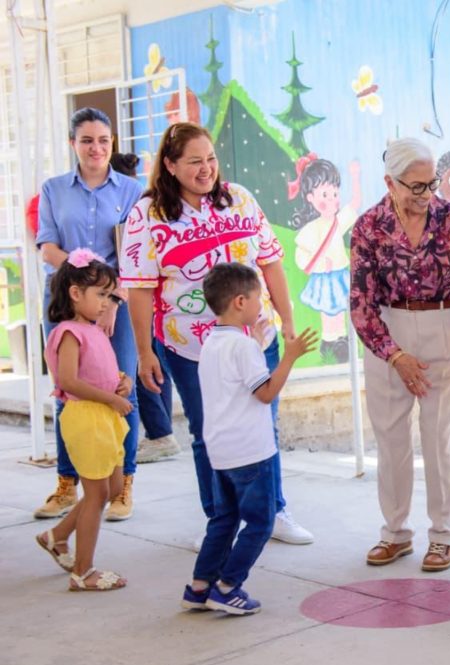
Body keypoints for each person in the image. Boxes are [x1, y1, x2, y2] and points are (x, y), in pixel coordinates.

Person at [120, 122, 313, 546]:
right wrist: (142, 353)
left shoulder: (239, 199)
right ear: (170, 166)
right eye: (194, 162)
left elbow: (272, 263)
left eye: (211, 159)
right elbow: (138, 288)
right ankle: (220, 521)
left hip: (255, 339)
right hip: (191, 348)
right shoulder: (147, 215)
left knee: (265, 424)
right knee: (208, 431)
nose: (206, 169)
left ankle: (274, 510)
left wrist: (287, 319)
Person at [350, 137, 450, 572]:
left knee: (438, 439)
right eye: (415, 186)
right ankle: (395, 534)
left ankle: (443, 536)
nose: (425, 194)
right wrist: (395, 355)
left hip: (445, 327)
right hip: (388, 332)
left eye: (430, 184)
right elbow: (360, 302)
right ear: (389, 182)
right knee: (391, 440)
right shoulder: (369, 226)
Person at [180, 264, 317, 615]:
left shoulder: (212, 342)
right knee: (260, 522)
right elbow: (265, 393)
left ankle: (199, 587)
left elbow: (235, 381)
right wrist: (289, 357)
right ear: (240, 301)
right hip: (252, 452)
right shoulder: (242, 348)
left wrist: (254, 344)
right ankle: (228, 586)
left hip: (221, 451)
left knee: (223, 520)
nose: (262, 303)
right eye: (259, 297)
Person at [34, 107, 142, 522]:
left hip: (116, 306)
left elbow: (134, 254)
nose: (96, 148)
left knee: (121, 389)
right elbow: (48, 247)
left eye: (103, 140)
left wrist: (110, 299)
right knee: (69, 393)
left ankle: (122, 486)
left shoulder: (131, 191)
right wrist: (86, 291)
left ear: (111, 142)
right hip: (65, 302)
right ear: (72, 144)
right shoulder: (53, 189)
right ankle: (66, 483)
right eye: (87, 140)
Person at [34, 250, 131, 591]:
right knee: (95, 495)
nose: (107, 302)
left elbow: (101, 371)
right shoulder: (68, 333)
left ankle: (57, 535)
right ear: (76, 294)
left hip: (105, 416)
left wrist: (122, 381)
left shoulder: (92, 330)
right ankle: (83, 571)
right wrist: (112, 398)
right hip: (87, 418)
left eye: (109, 295)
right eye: (101, 294)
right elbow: (69, 381)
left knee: (114, 488)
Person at [110, 151, 182, 464]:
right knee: (154, 363)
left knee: (142, 365)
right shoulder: (145, 199)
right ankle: (161, 432)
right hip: (153, 295)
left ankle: (160, 433)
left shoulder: (133, 205)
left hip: (136, 294)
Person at [288, 155, 361, 364]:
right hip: (324, 278)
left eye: (335, 193)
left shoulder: (338, 222)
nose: (332, 199)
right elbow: (302, 258)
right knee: (329, 312)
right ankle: (330, 341)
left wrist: (355, 177)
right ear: (310, 197)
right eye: (325, 194)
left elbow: (355, 203)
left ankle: (343, 340)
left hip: (340, 274)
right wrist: (321, 265)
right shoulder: (310, 229)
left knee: (343, 308)